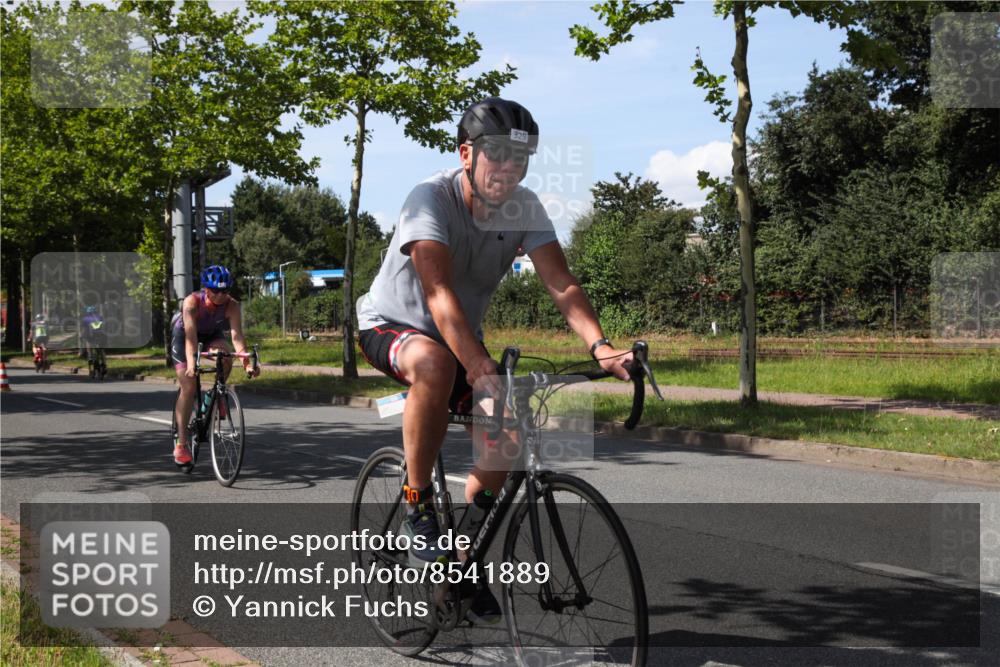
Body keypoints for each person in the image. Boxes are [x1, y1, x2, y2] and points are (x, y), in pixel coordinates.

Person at [355, 97, 633, 624]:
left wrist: (601, 345)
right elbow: (437, 294)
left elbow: (562, 283)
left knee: (507, 437)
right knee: (435, 365)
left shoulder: (525, 208)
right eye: (496, 154)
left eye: (520, 157)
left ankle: (459, 564)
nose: (508, 167)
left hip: (460, 337)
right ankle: (416, 505)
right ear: (466, 154)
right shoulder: (429, 200)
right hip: (391, 325)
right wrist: (480, 366)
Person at [171, 265, 259, 467]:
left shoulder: (232, 305)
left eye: (225, 291)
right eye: (216, 291)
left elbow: (237, 337)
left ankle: (217, 393)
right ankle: (181, 444)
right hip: (184, 336)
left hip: (211, 335)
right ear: (206, 289)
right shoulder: (192, 302)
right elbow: (191, 338)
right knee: (189, 386)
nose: (221, 296)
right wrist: (192, 364)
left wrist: (246, 364)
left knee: (226, 355)